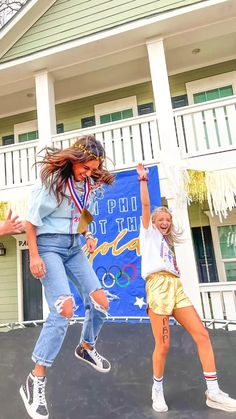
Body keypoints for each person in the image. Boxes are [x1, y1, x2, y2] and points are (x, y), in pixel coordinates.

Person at [20, 135, 115, 419]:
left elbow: (84, 212)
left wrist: (87, 235)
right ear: (75, 159)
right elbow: (30, 221)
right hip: (48, 246)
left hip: (74, 247)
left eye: (93, 170)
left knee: (101, 302)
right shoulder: (51, 186)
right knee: (64, 309)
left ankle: (86, 347)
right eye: (86, 168)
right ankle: (35, 380)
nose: (89, 173)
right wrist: (34, 256)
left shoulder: (87, 186)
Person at [137, 163, 236, 413]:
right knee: (164, 345)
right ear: (153, 221)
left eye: (168, 220)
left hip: (175, 287)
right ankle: (156, 389)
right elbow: (147, 207)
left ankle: (213, 392)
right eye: (161, 219)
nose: (165, 222)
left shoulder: (166, 246)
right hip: (157, 287)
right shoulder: (148, 234)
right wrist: (143, 181)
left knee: (202, 334)